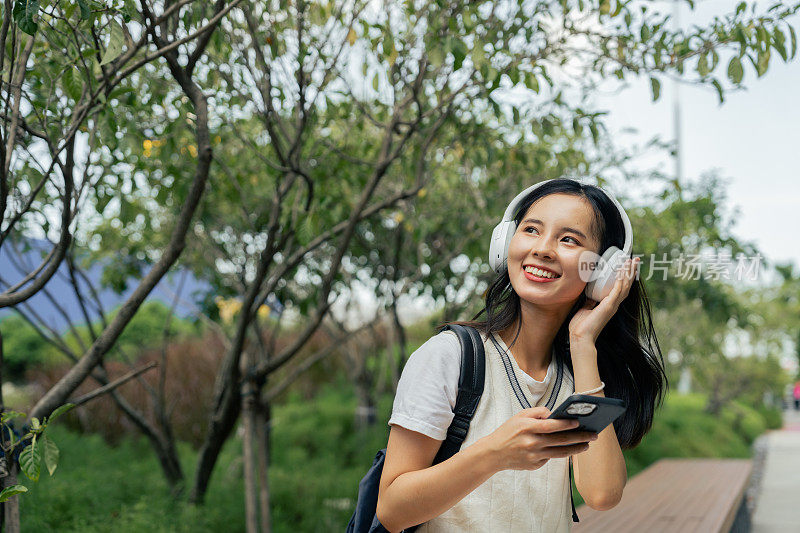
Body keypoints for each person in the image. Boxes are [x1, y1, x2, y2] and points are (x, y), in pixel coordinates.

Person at [376, 178, 668, 532]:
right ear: (506, 242)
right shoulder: (450, 356)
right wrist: (495, 454)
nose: (543, 249)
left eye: (569, 239)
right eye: (531, 229)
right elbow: (392, 510)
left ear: (602, 270)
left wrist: (582, 342)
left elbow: (602, 494)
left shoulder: (576, 377)